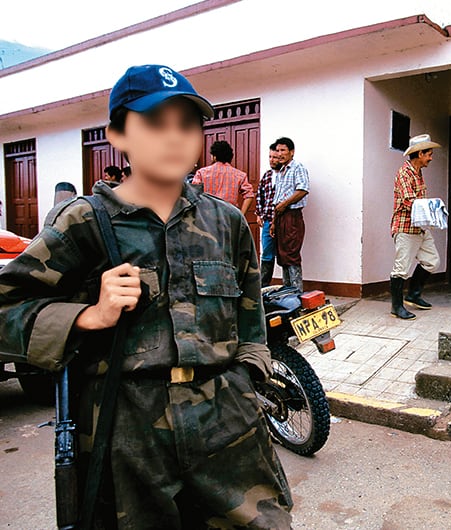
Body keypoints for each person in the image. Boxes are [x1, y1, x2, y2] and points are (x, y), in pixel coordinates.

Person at [0, 64, 292, 528]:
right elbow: (6, 309)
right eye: (155, 123)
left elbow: (249, 316)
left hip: (227, 424)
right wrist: (89, 316)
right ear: (119, 135)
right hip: (127, 432)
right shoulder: (84, 222)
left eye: (187, 124)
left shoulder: (226, 222)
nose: (174, 138)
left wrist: (246, 381)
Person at [390, 134, 442, 320]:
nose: (431, 158)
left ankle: (413, 295)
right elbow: (408, 201)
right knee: (401, 268)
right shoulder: (405, 173)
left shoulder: (418, 172)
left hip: (419, 227)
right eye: (429, 154)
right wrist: (432, 209)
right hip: (405, 227)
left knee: (432, 261)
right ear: (420, 154)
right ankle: (397, 307)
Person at [270, 136, 309, 291]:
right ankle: (287, 293)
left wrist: (285, 204)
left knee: (291, 255)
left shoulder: (297, 167)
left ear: (291, 152)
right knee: (282, 255)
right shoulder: (281, 171)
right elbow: (277, 200)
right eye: (277, 150)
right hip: (280, 216)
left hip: (292, 216)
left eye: (283, 150)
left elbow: (303, 189)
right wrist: (274, 222)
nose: (279, 154)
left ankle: (297, 293)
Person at [192, 140, 255, 216]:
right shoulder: (240, 175)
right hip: (229, 216)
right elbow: (249, 195)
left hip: (207, 216)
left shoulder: (202, 173)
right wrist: (241, 215)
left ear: (214, 157)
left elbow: (193, 193)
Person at [256, 144, 281, 286]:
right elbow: (260, 195)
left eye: (275, 157)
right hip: (267, 221)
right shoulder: (267, 175)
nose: (272, 160)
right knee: (266, 253)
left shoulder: (286, 175)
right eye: (270, 157)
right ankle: (263, 286)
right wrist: (259, 214)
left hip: (281, 220)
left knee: (284, 254)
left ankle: (289, 287)